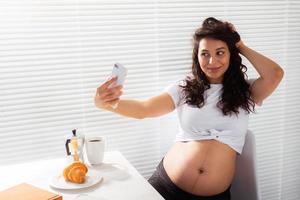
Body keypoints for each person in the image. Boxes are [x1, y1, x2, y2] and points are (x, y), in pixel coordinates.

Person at [94, 17, 284, 200]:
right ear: (197, 55)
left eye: (220, 52)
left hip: (214, 195)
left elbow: (275, 74)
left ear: (231, 54)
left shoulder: (247, 92)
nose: (212, 62)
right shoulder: (184, 87)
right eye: (205, 54)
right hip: (166, 186)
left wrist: (239, 45)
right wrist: (110, 104)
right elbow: (145, 109)